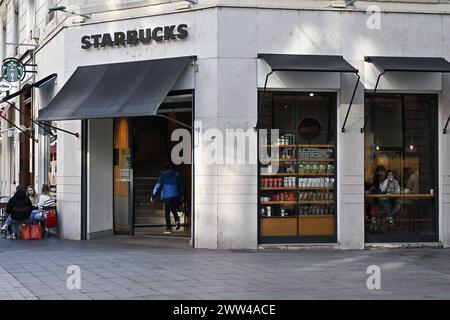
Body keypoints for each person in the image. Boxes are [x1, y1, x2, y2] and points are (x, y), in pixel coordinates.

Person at [151, 163, 184, 234]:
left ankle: (168, 228)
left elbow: (157, 186)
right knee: (174, 209)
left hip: (167, 196)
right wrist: (182, 195)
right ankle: (177, 221)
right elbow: (180, 185)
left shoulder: (162, 176)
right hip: (175, 195)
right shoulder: (176, 175)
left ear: (164, 169)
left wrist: (153, 195)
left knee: (167, 212)